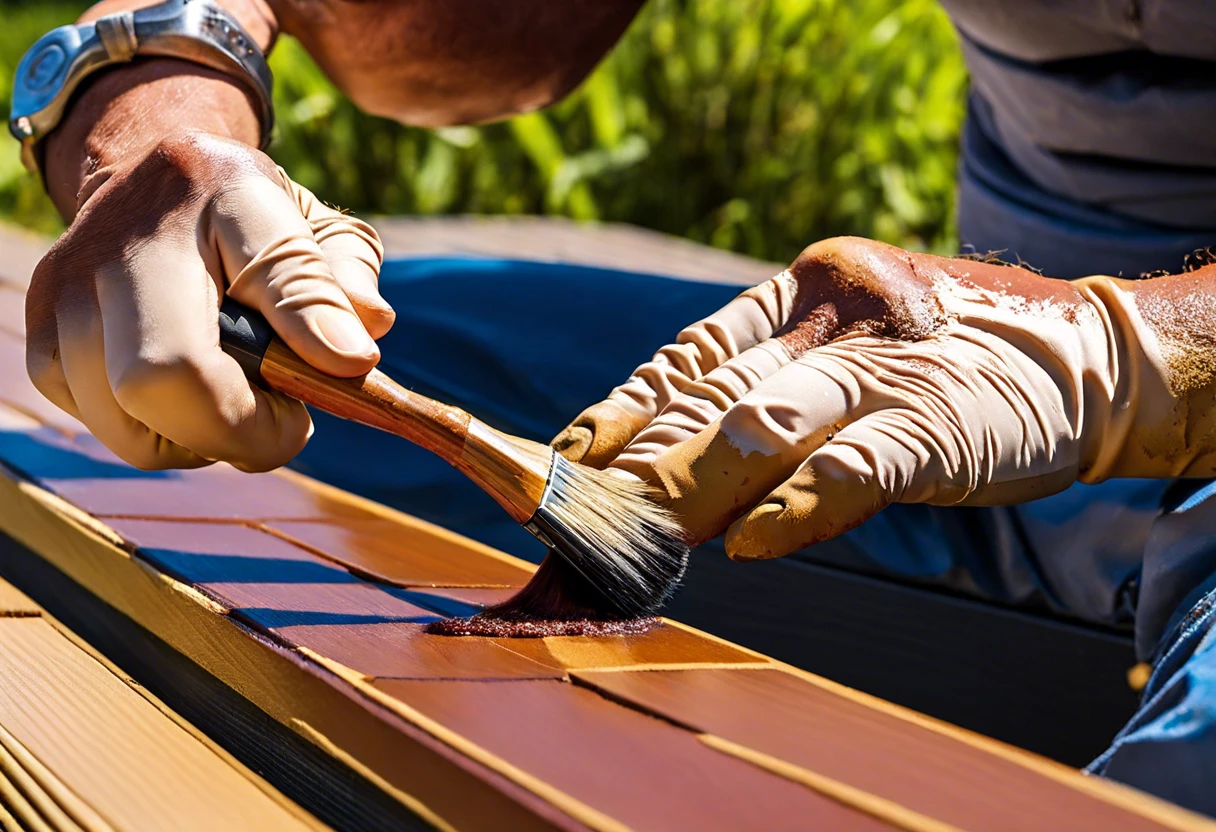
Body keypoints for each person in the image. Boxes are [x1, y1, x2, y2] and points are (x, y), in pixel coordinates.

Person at [13, 0, 1216, 814]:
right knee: (277, 352)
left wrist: (1128, 350)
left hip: (1088, 375)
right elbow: (453, 55)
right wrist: (172, 66)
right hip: (943, 401)